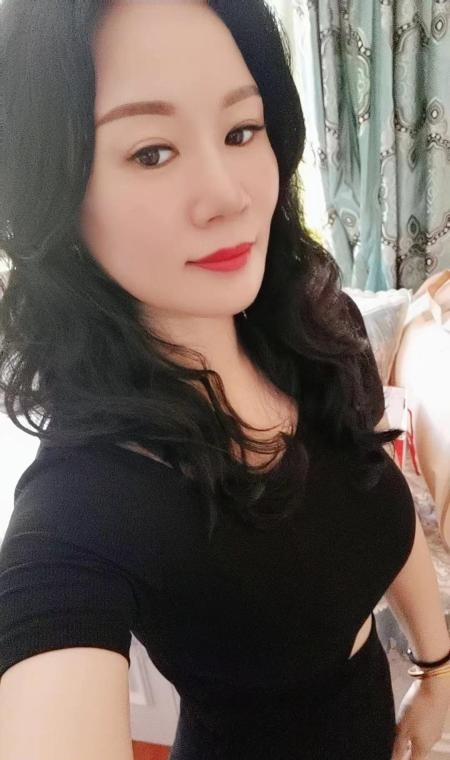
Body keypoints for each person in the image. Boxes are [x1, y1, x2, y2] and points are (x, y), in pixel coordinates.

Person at [0, 1, 449, 758]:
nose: (230, 195)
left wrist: (437, 671)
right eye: (151, 152)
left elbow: (377, 497)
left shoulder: (315, 329)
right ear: (58, 190)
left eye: (242, 131)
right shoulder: (82, 505)